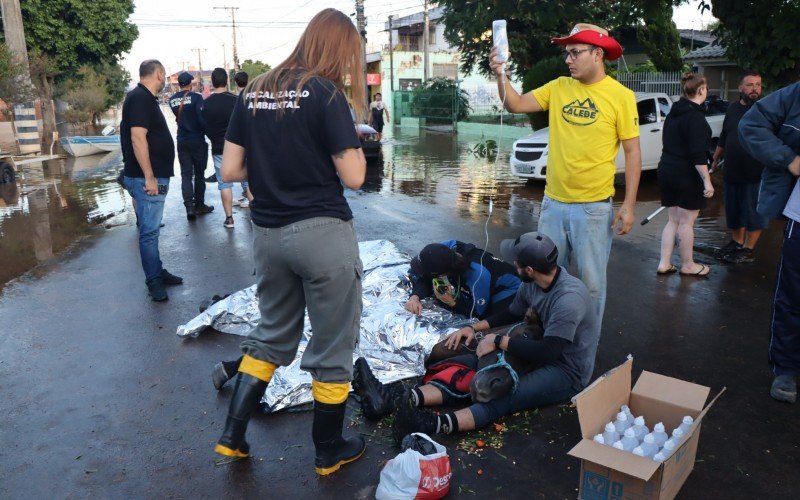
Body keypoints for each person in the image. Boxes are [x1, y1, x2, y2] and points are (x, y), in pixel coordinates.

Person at [213, 9, 368, 476]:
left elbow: (231, 170)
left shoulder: (254, 88)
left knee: (272, 335)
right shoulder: (326, 94)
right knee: (332, 345)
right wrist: (351, 142)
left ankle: (231, 436)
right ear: (338, 48)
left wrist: (276, 166)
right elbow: (355, 177)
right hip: (322, 233)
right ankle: (328, 451)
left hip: (269, 235)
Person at [355, 232, 599, 440]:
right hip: (536, 342)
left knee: (504, 394)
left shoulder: (568, 300)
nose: (512, 265)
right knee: (472, 363)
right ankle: (395, 400)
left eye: (517, 263)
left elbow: (550, 352)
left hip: (566, 369)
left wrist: (499, 341)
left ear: (530, 269)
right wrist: (474, 329)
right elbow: (511, 313)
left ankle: (431, 425)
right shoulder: (533, 283)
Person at [490, 23, 641, 326]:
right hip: (553, 205)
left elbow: (632, 152)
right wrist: (500, 74)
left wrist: (628, 205)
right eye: (566, 54)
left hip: (594, 209)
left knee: (591, 287)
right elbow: (515, 103)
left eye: (575, 52)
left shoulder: (621, 96)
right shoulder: (559, 87)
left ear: (597, 54)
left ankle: (583, 354)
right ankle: (547, 342)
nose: (568, 59)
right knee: (543, 280)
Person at [738, 81, 800, 404]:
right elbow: (751, 125)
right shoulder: (795, 96)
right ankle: (786, 368)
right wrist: (788, 159)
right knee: (792, 295)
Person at [120, 59, 183, 302]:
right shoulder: (139, 98)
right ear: (159, 74)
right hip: (147, 177)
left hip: (151, 175)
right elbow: (138, 138)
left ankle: (158, 271)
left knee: (152, 230)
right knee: (148, 232)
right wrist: (149, 177)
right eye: (164, 74)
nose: (165, 78)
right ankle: (154, 281)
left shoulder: (143, 98)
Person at [655, 73, 715, 277]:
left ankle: (664, 263)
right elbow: (698, 155)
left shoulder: (674, 113)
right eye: (705, 88)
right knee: (686, 222)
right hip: (686, 174)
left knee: (673, 220)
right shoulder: (695, 118)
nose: (707, 91)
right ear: (700, 90)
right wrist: (707, 181)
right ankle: (688, 265)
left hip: (666, 169)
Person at [710, 72, 767, 264]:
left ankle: (748, 249)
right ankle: (736, 242)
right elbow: (725, 136)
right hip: (733, 170)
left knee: (754, 211)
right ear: (741, 88)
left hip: (756, 172)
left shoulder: (764, 110)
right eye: (750, 85)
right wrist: (716, 159)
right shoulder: (733, 109)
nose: (754, 89)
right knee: (733, 209)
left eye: (758, 85)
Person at [404, 240, 522, 321]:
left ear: (443, 274)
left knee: (489, 318)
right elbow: (425, 277)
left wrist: (452, 303)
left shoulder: (477, 276)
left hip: (512, 288)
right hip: (479, 277)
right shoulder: (446, 246)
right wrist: (415, 297)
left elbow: (477, 315)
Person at [202, 67, 249, 228]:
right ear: (227, 81)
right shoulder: (235, 100)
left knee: (224, 184)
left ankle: (229, 219)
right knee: (248, 181)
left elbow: (204, 126)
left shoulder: (206, 104)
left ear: (213, 83)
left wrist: (214, 138)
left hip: (218, 148)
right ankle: (256, 215)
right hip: (240, 147)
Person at [169, 72, 213, 220]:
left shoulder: (172, 100)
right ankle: (199, 205)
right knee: (199, 174)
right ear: (190, 83)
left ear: (179, 84)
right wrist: (211, 134)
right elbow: (201, 119)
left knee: (186, 175)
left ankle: (189, 208)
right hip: (197, 140)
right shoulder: (196, 98)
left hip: (182, 140)